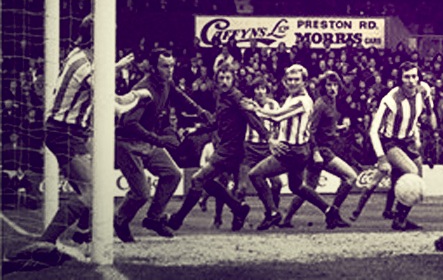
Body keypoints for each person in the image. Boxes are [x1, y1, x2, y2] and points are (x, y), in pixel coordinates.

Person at [6, 15, 146, 264]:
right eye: (109, 32)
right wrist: (139, 95)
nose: (112, 37)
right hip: (65, 132)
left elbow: (95, 76)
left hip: (69, 131)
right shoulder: (85, 65)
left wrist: (115, 66)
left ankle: (81, 234)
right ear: (98, 36)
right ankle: (45, 244)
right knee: (92, 191)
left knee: (92, 186)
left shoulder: (78, 55)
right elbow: (117, 105)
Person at [114, 47, 214, 242]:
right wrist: (158, 140)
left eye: (171, 66)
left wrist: (200, 111)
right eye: (164, 66)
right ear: (153, 67)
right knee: (141, 194)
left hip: (148, 141)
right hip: (127, 143)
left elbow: (179, 96)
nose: (170, 70)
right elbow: (129, 123)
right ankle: (120, 220)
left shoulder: (167, 82)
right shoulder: (143, 90)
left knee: (173, 174)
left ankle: (153, 218)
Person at [242, 64, 350, 230]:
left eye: (296, 80)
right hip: (299, 151)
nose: (292, 83)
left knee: (255, 175)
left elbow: (277, 117)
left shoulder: (303, 101)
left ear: (304, 82)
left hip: (291, 151)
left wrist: (255, 109)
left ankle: (273, 212)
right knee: (297, 187)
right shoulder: (292, 97)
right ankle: (329, 211)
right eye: (290, 80)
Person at [166, 62, 270, 233]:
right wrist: (196, 130)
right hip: (226, 148)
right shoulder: (221, 96)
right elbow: (216, 122)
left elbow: (252, 119)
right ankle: (237, 208)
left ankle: (177, 219)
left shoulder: (236, 97)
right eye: (221, 78)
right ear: (216, 80)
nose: (224, 81)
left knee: (198, 179)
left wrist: (268, 137)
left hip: (230, 151)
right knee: (206, 182)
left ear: (233, 80)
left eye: (228, 78)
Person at [280, 71, 358, 228]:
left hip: (322, 150)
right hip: (321, 151)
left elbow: (325, 127)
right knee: (350, 177)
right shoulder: (320, 104)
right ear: (323, 87)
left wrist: (338, 128)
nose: (332, 88)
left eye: (335, 85)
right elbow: (310, 130)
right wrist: (315, 152)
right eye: (329, 85)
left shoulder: (331, 102)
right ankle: (333, 213)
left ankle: (286, 219)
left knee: (308, 189)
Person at [369, 61, 437, 230]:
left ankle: (400, 218)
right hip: (390, 142)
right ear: (400, 79)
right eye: (407, 77)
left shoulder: (424, 90)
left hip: (408, 141)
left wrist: (432, 124)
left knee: (417, 181)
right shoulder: (390, 100)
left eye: (414, 76)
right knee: (412, 173)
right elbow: (373, 131)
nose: (411, 81)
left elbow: (430, 111)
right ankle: (397, 219)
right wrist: (381, 158)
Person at [234, 77, 284, 230]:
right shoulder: (247, 104)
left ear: (267, 90)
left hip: (267, 149)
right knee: (242, 188)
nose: (260, 91)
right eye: (257, 88)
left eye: (263, 88)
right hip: (249, 148)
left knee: (277, 183)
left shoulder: (273, 105)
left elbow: (279, 124)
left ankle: (271, 215)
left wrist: (276, 140)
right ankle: (237, 218)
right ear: (253, 91)